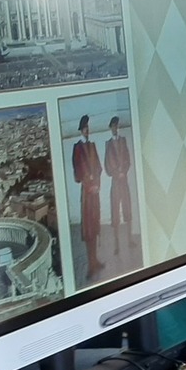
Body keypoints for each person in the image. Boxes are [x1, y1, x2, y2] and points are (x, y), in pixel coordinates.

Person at [71, 115, 103, 280]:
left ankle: (95, 261)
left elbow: (98, 167)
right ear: (80, 130)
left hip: (95, 193)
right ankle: (90, 265)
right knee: (88, 228)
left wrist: (97, 184)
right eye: (84, 128)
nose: (87, 130)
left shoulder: (92, 146)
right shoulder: (77, 148)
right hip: (86, 194)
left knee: (95, 226)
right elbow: (78, 173)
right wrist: (89, 184)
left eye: (88, 128)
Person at [104, 115, 133, 254]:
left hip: (124, 181)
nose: (115, 128)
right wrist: (117, 174)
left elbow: (128, 160)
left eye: (117, 126)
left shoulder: (123, 141)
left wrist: (124, 172)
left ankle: (130, 240)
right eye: (113, 126)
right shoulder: (108, 144)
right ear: (110, 128)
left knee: (127, 209)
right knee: (115, 212)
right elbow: (107, 165)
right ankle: (116, 245)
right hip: (115, 183)